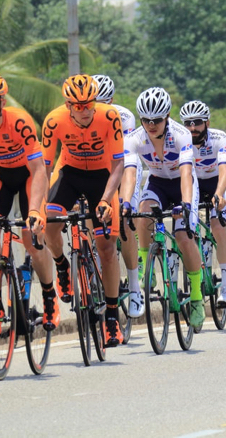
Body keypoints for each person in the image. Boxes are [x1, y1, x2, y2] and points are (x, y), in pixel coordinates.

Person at [0, 73, 57, 330]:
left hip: (28, 176)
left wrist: (34, 210)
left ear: (2, 102)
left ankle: (49, 296)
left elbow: (39, 169)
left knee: (31, 236)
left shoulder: (20, 122)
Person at [42, 74, 126, 347]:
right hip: (69, 173)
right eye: (77, 106)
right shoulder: (54, 120)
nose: (85, 111)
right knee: (50, 223)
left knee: (106, 247)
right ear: (68, 105)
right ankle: (62, 266)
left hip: (102, 176)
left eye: (89, 104)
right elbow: (43, 168)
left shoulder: (109, 116)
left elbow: (117, 165)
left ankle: (112, 319)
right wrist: (38, 205)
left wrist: (105, 199)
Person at [120, 87, 206, 328]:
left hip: (182, 184)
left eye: (156, 120)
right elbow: (129, 173)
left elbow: (187, 173)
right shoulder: (134, 138)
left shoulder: (181, 135)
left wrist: (187, 205)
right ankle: (148, 267)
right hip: (157, 182)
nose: (151, 124)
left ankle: (197, 298)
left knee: (182, 237)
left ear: (167, 116)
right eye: (146, 120)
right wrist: (126, 202)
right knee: (142, 212)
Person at [92, 74, 145, 318]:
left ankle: (135, 287)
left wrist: (123, 200)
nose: (98, 109)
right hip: (94, 168)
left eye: (104, 103)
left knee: (124, 221)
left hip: (122, 166)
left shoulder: (123, 117)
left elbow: (123, 159)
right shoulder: (80, 116)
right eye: (94, 103)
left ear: (111, 100)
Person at [179, 100, 226, 306]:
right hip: (193, 184)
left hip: (215, 183)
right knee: (185, 229)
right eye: (188, 123)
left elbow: (225, 171)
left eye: (198, 123)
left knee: (217, 226)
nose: (193, 128)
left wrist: (219, 194)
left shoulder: (219, 138)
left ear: (207, 122)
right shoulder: (179, 140)